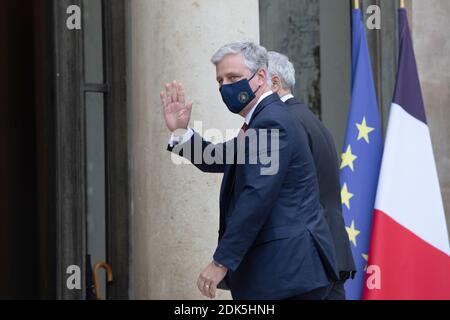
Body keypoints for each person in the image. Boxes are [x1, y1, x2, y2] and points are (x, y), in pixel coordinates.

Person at [160, 41, 338, 300]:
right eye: (220, 80)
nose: (226, 87)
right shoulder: (261, 121)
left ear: (261, 77)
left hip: (286, 274)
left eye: (234, 77)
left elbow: (257, 195)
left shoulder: (271, 122)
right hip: (281, 275)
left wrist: (221, 261)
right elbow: (218, 157)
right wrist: (180, 131)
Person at [267, 51, 356, 299]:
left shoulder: (282, 122)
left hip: (307, 256)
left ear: (274, 83)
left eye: (256, 79)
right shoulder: (309, 119)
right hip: (327, 250)